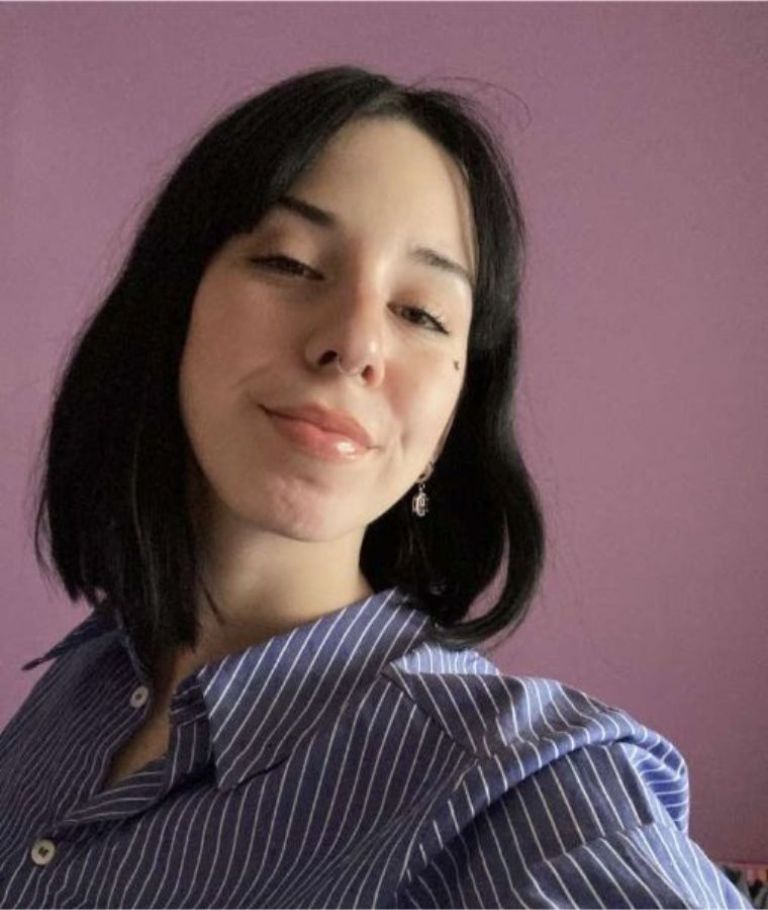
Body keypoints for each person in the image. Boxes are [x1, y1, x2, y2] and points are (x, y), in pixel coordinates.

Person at [0, 65, 749, 910]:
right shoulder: (90, 676)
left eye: (423, 313)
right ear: (173, 306)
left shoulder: (517, 786)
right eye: (290, 262)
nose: (355, 343)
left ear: (454, 413)